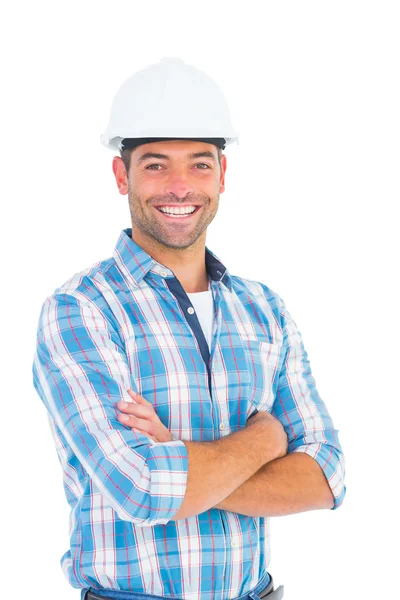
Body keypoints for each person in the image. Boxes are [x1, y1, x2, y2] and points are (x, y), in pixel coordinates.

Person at [32, 57, 346, 600]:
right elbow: (142, 488)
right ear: (120, 174)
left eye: (199, 164)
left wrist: (179, 454)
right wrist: (266, 439)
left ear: (223, 175)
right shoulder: (80, 309)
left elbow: (327, 478)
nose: (179, 186)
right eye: (155, 165)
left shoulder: (264, 309)